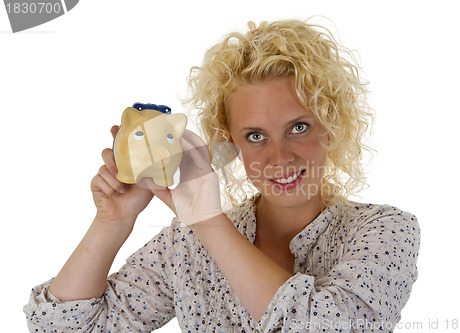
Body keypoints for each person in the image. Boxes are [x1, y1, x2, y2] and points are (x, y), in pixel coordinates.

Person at [24, 19, 420, 332]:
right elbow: (64, 328)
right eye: (255, 136)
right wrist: (112, 221)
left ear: (331, 126)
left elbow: (326, 327)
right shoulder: (187, 242)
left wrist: (209, 222)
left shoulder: (385, 231)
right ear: (232, 144)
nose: (279, 157)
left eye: (298, 127)